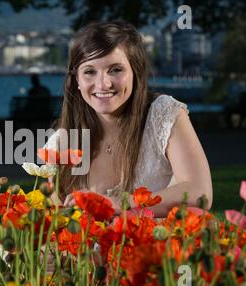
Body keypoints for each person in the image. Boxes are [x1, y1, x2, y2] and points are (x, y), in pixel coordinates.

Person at [44, 21, 213, 218]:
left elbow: (200, 193)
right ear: (76, 81)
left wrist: (117, 204)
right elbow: (58, 221)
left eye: (115, 70)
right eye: (90, 72)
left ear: (136, 72)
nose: (103, 83)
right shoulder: (60, 143)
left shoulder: (163, 115)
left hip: (156, 245)